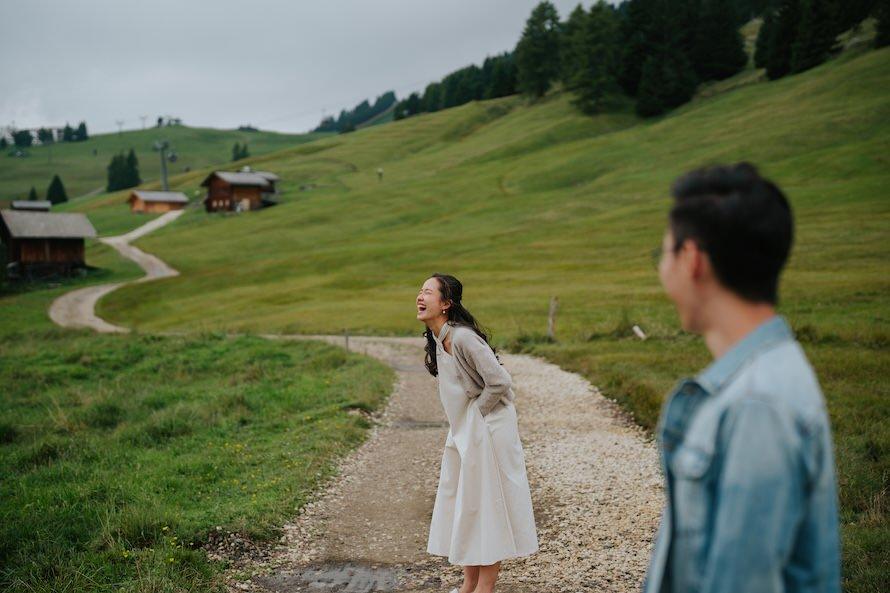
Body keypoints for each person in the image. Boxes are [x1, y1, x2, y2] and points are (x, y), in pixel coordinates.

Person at [645, 163, 841, 593]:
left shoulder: (757, 404)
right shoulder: (765, 377)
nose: (662, 269)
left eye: (663, 253)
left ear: (692, 259)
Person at [417, 273, 538, 593]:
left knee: (488, 509)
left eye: (428, 292)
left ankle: (484, 588)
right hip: (468, 431)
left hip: (489, 429)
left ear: (446, 303)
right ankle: (469, 585)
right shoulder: (439, 338)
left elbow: (499, 382)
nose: (420, 296)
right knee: (469, 505)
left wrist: (476, 417)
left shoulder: (463, 338)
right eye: (420, 291)